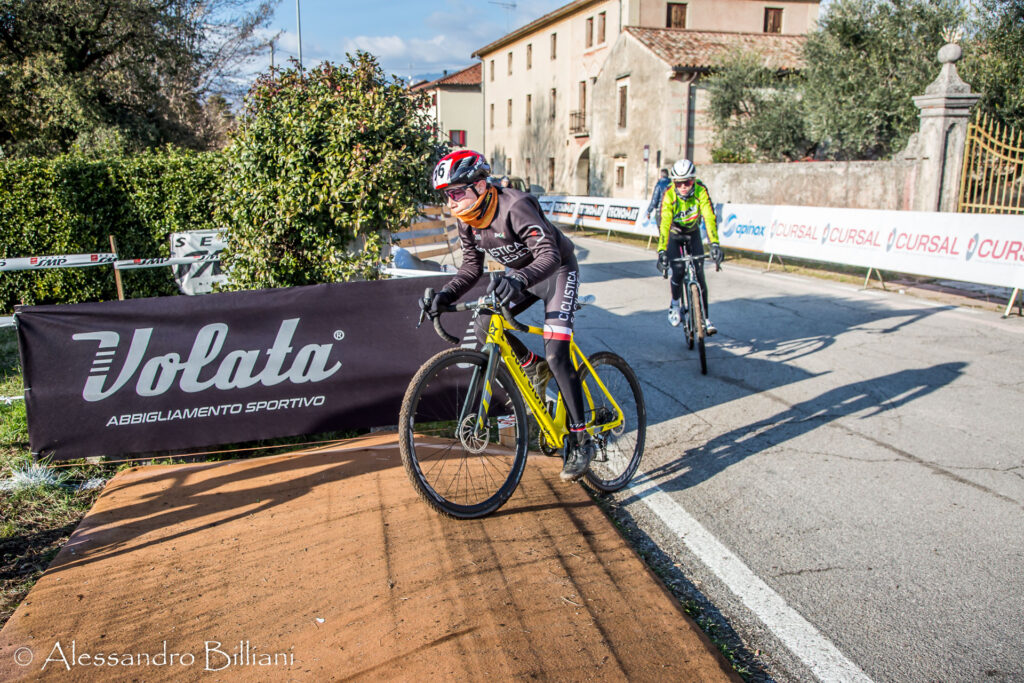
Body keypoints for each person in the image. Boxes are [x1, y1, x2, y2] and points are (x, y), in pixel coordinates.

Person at [421, 149, 595, 482]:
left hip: (557, 271)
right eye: (447, 195)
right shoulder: (467, 220)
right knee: (487, 319)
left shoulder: (515, 206)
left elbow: (549, 254)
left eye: (457, 191)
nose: (452, 201)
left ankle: (580, 438)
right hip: (524, 275)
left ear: (480, 185)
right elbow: (471, 268)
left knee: (558, 354)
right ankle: (533, 367)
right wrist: (445, 295)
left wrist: (517, 278)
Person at [658, 159, 724, 335]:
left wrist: (715, 244)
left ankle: (706, 319)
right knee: (678, 270)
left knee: (699, 273)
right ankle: (674, 304)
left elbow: (709, 216)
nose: (683, 187)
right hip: (674, 234)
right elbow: (664, 223)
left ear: (693, 180)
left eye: (687, 182)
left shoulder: (701, 191)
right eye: (679, 183)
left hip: (693, 233)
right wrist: (662, 251)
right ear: (674, 183)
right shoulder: (669, 194)